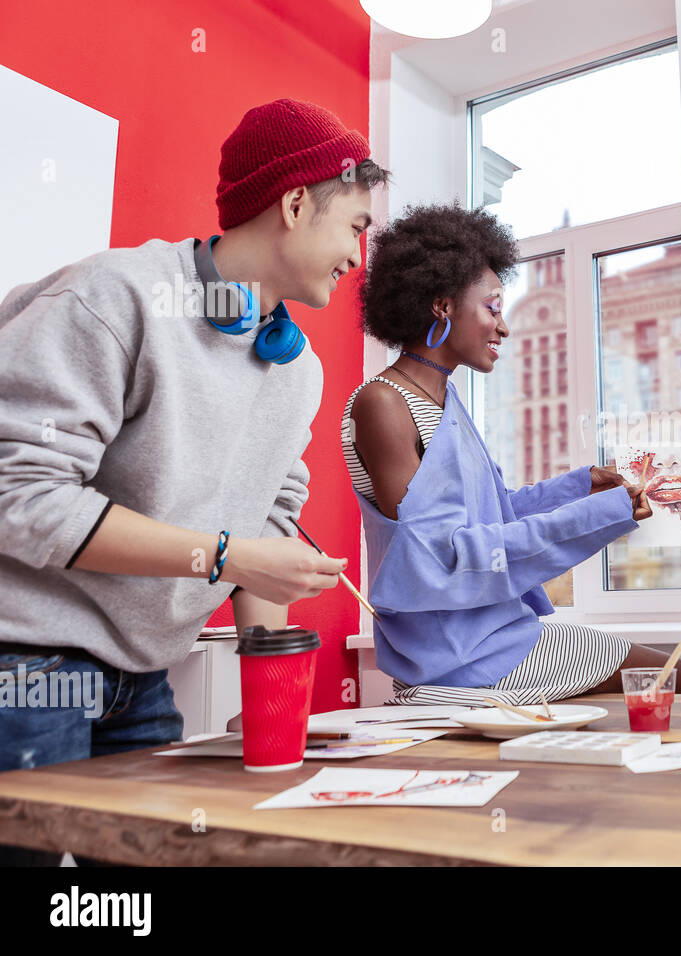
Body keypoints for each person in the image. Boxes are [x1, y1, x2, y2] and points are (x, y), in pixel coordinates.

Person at [0, 98, 390, 863]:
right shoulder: (114, 297)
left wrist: (271, 698)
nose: (358, 256)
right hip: (26, 665)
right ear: (296, 200)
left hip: (143, 676)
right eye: (355, 226)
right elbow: (20, 497)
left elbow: (268, 530)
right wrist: (222, 556)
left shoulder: (294, 370)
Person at [342, 203, 681, 705]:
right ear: (442, 306)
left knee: (674, 678)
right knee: (675, 680)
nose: (504, 327)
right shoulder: (383, 403)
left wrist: (580, 488)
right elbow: (447, 557)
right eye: (492, 307)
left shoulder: (443, 400)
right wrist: (601, 515)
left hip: (499, 632)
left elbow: (495, 514)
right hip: (462, 655)